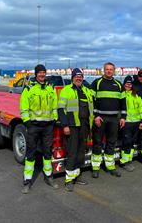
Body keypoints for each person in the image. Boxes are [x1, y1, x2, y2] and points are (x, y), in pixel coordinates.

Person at [20, 64, 59, 194]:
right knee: (30, 153)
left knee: (47, 152)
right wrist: (28, 123)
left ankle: (48, 177)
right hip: (34, 126)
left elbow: (55, 105)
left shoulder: (50, 87)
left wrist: (54, 119)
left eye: (44, 72)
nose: (42, 75)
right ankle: (27, 181)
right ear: (36, 74)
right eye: (40, 73)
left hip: (48, 126)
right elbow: (23, 107)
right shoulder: (29, 88)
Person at [58, 68, 94, 192]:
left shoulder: (86, 91)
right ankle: (69, 180)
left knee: (80, 153)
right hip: (72, 126)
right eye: (76, 76)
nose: (79, 78)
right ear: (72, 78)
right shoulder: (66, 90)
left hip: (84, 126)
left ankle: (77, 176)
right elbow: (61, 109)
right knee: (72, 152)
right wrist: (65, 125)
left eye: (81, 76)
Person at [90, 62, 126, 178]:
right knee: (97, 143)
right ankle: (95, 167)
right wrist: (95, 116)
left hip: (114, 119)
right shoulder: (97, 83)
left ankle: (110, 167)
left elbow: (123, 103)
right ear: (103, 70)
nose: (109, 71)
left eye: (111, 69)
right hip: (100, 118)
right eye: (107, 69)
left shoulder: (119, 85)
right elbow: (91, 101)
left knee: (111, 143)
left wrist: (123, 118)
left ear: (114, 71)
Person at [119, 76, 142, 172]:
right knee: (126, 142)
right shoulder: (121, 94)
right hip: (126, 122)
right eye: (126, 83)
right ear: (124, 84)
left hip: (136, 122)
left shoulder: (136, 95)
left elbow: (141, 109)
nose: (128, 85)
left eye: (130, 84)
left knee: (131, 142)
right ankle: (124, 162)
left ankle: (128, 160)